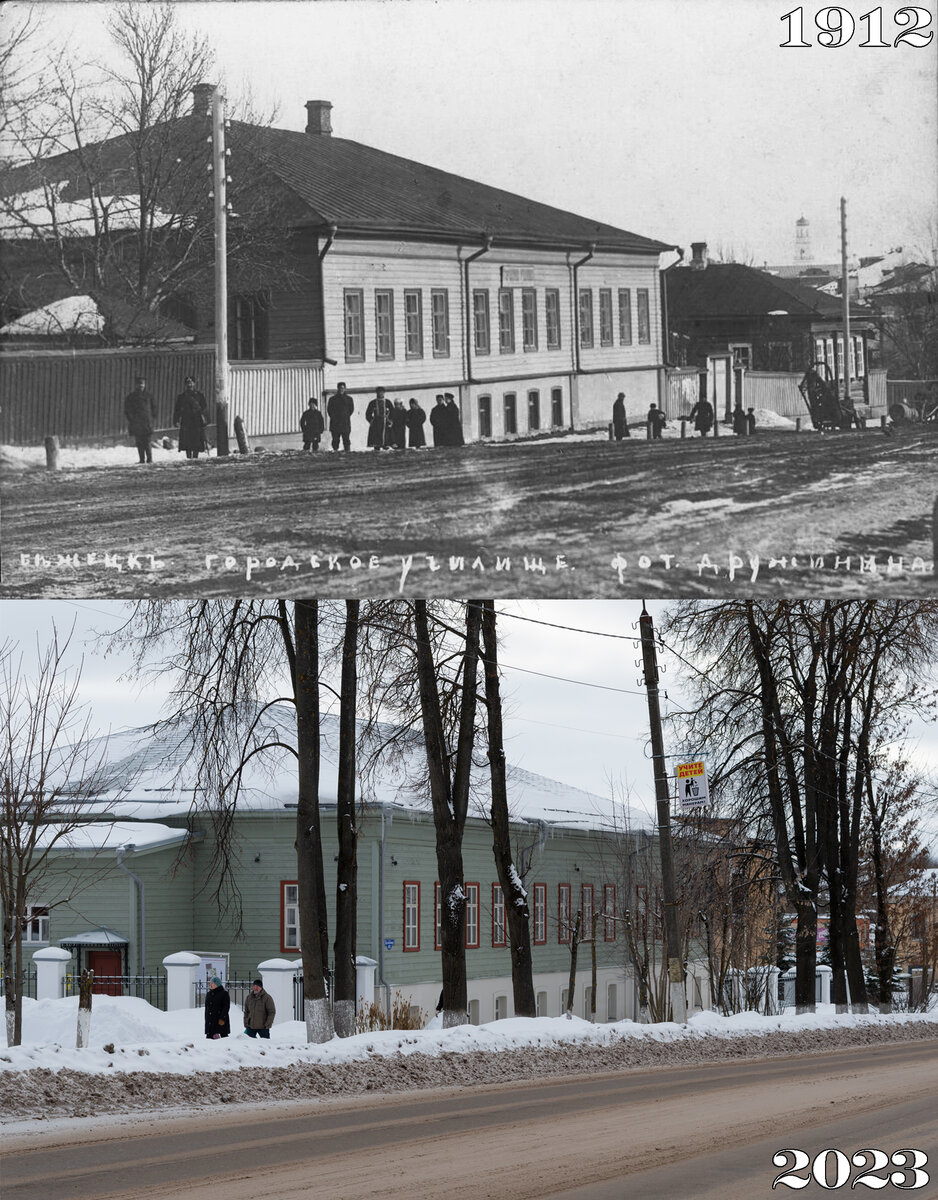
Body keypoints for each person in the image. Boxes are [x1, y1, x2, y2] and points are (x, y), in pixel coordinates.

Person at [173, 375, 208, 460]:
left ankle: (195, 457)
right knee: (187, 440)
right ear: (185, 384)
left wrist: (205, 419)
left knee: (196, 440)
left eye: (191, 382)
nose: (190, 385)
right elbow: (177, 410)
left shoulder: (199, 395)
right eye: (188, 383)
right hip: (186, 421)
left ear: (194, 383)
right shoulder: (181, 397)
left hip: (196, 421)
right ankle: (189, 458)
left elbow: (204, 408)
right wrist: (176, 420)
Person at [124, 375, 156, 464]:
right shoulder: (131, 397)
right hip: (136, 423)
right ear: (135, 385)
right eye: (139, 384)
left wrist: (152, 418)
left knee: (147, 441)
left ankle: (149, 459)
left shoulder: (149, 396)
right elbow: (127, 410)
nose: (141, 386)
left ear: (145, 385)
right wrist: (132, 419)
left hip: (147, 422)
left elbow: (154, 408)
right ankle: (141, 459)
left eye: (142, 384)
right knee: (139, 442)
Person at [327, 381, 354, 452]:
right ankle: (335, 451)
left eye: (343, 388)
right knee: (335, 439)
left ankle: (347, 451)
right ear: (337, 389)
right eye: (340, 388)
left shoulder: (349, 399)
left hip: (345, 423)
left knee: (346, 439)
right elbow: (329, 410)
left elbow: (351, 410)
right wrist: (335, 418)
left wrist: (344, 416)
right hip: (335, 423)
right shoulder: (332, 399)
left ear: (345, 389)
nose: (341, 389)